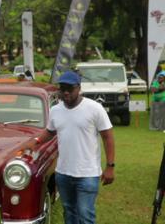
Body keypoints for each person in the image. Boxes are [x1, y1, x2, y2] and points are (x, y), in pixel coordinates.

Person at [25, 71, 115, 224]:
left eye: (70, 88)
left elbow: (108, 137)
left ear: (79, 88)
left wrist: (110, 166)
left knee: (85, 214)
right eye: (62, 88)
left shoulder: (95, 108)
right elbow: (50, 131)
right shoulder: (55, 110)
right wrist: (36, 142)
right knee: (69, 211)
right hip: (63, 173)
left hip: (87, 174)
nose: (66, 92)